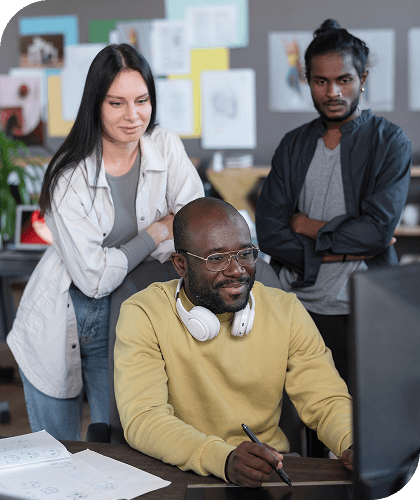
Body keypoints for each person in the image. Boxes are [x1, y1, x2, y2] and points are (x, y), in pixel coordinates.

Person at [6, 44, 204, 440]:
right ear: (95, 104)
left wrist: (168, 233)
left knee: (119, 441)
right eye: (117, 103)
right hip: (66, 314)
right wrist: (156, 232)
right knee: (57, 450)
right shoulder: (69, 175)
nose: (132, 116)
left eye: (141, 100)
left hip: (130, 307)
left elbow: (194, 226)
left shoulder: (165, 145)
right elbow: (93, 278)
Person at [114, 197, 353, 488]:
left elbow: (325, 399)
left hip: (269, 470)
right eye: (216, 259)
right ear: (181, 264)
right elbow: (144, 417)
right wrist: (223, 459)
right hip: (179, 473)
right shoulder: (144, 313)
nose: (237, 270)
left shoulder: (285, 309)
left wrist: (351, 441)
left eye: (245, 254)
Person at [255, 19, 412, 385]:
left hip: (364, 304)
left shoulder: (390, 142)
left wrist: (306, 225)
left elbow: (375, 233)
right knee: (302, 410)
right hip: (295, 306)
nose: (333, 92)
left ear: (363, 78)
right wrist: (339, 249)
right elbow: (270, 232)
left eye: (344, 80)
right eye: (320, 81)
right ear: (307, 80)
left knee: (360, 409)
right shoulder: (292, 145)